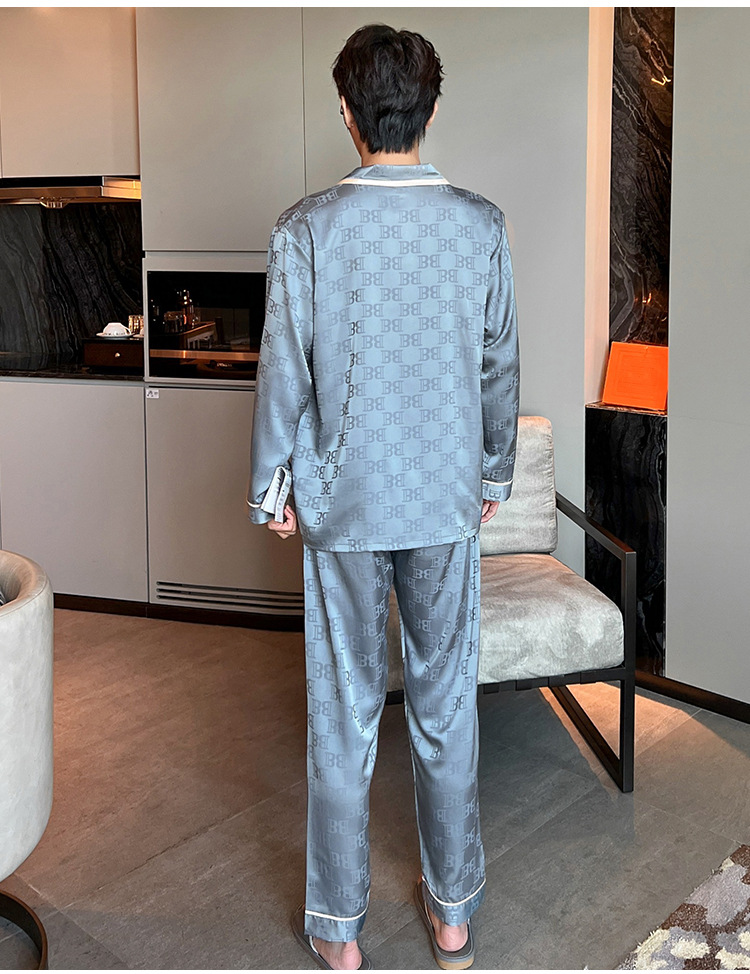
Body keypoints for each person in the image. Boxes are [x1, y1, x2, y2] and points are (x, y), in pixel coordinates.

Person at [247, 23, 519, 971]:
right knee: (445, 710)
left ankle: (339, 933)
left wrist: (273, 485)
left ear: (347, 114)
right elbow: (497, 365)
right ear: (430, 110)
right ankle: (453, 918)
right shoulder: (481, 226)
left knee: (344, 716)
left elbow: (283, 371)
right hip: (442, 502)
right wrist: (493, 472)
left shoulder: (305, 229)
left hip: (345, 502)